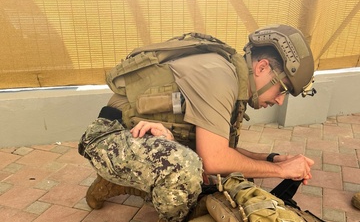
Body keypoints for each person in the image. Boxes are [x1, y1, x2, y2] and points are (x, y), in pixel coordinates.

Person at [78, 24, 317, 222]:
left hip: (143, 136)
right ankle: (133, 189)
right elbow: (214, 159)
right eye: (282, 88)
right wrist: (281, 171)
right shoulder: (219, 76)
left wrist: (270, 159)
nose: (279, 99)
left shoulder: (233, 77)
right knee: (185, 167)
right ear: (262, 67)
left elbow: (222, 152)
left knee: (226, 172)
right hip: (109, 136)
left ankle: (126, 184)